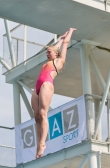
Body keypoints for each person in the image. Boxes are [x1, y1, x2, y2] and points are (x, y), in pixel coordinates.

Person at [31, 28, 77, 159]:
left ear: (55, 54)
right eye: (46, 52)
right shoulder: (48, 62)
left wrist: (69, 33)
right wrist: (60, 39)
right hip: (37, 87)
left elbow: (64, 45)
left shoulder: (59, 61)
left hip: (46, 84)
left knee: (42, 113)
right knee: (36, 117)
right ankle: (38, 144)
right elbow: (55, 47)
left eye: (49, 52)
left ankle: (42, 143)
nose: (47, 54)